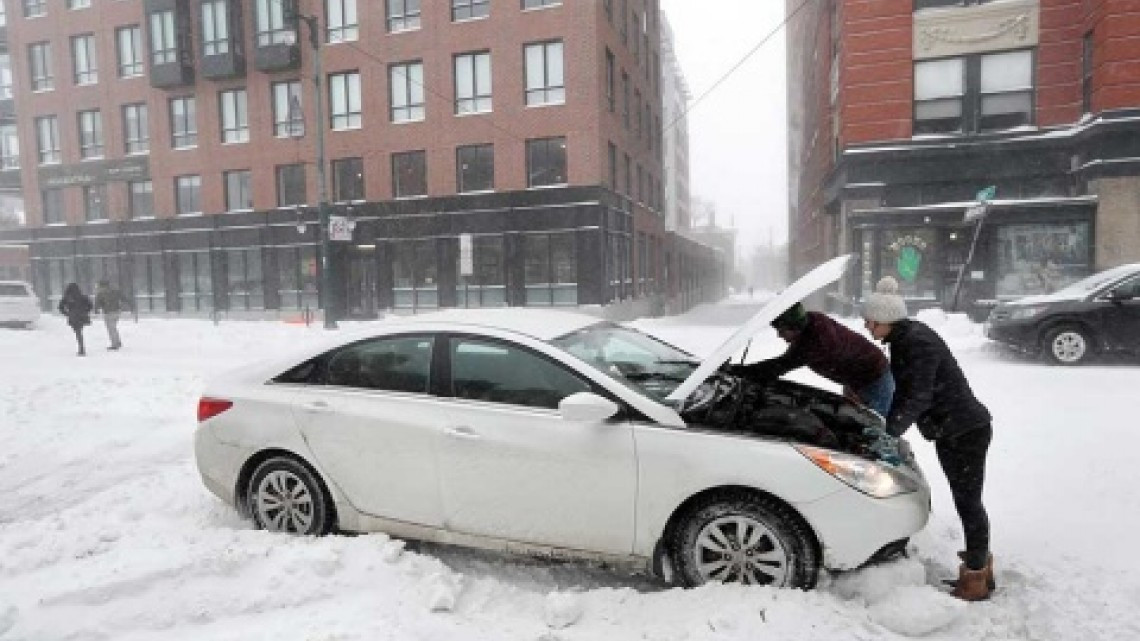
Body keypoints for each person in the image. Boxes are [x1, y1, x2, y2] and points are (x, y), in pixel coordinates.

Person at [862, 289, 995, 602]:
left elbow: (918, 395)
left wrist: (891, 431)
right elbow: (905, 389)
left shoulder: (916, 342)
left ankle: (976, 577)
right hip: (954, 428)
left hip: (963, 430)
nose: (866, 327)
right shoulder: (905, 338)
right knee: (967, 500)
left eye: (870, 321)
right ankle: (980, 568)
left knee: (968, 502)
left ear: (885, 319)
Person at [730, 302, 895, 417]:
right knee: (854, 421)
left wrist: (736, 371)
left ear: (794, 327)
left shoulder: (817, 342)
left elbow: (778, 366)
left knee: (877, 432)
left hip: (875, 379)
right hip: (855, 378)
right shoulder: (810, 322)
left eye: (782, 330)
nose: (779, 335)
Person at [94, 280, 132, 350]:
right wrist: (129, 303)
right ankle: (118, 341)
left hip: (108, 312)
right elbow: (123, 298)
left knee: (111, 329)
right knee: (113, 328)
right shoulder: (115, 291)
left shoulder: (101, 293)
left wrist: (96, 310)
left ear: (102, 285)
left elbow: (97, 303)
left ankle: (115, 344)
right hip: (117, 311)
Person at [58, 283, 93, 357]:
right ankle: (81, 348)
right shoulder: (82, 296)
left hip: (73, 316)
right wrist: (86, 311)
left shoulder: (67, 298)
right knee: (79, 331)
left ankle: (81, 349)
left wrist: (67, 313)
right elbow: (90, 305)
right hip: (82, 316)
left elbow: (60, 307)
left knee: (78, 332)